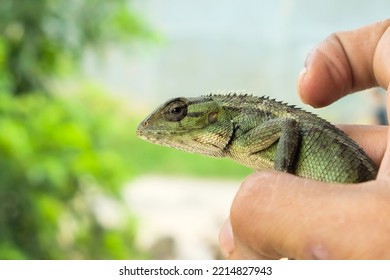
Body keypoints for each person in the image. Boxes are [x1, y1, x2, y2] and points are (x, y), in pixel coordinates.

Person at [219, 18, 390, 259]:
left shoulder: (246, 139)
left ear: (212, 114)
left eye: (177, 112)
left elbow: (286, 124)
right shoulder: (245, 139)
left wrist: (280, 183)